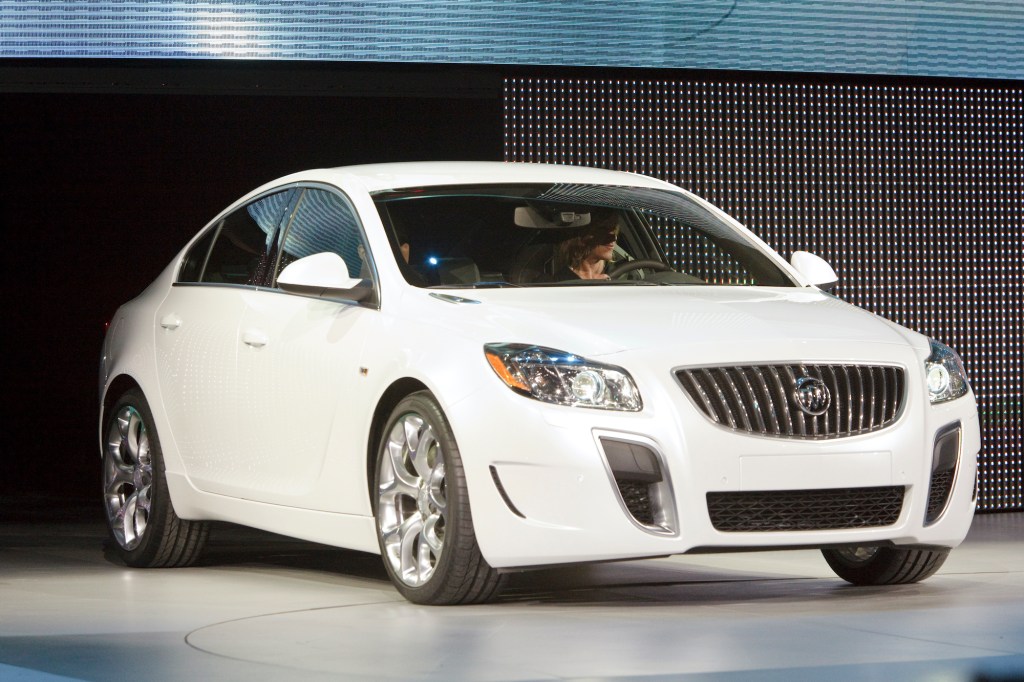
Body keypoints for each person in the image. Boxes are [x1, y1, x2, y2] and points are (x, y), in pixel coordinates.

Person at [554, 212, 619, 280]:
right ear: (583, 238)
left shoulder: (623, 274)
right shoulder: (562, 281)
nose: (614, 238)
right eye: (604, 232)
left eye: (614, 231)